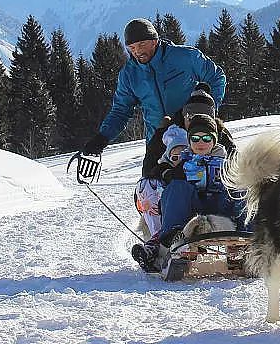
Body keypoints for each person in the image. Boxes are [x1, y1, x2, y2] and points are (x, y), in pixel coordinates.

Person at [80, 18, 226, 176]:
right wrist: (103, 137)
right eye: (131, 47)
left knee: (205, 187)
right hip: (157, 141)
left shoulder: (184, 57)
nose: (136, 51)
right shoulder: (129, 74)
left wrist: (207, 112)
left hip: (196, 137)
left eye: (141, 44)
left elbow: (217, 77)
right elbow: (121, 110)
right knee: (150, 189)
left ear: (154, 41)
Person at [131, 113, 249, 271]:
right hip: (192, 209)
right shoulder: (183, 162)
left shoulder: (227, 162)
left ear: (214, 140)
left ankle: (242, 243)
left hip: (222, 208)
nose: (201, 143)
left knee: (240, 187)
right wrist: (167, 173)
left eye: (206, 138)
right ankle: (175, 241)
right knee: (177, 186)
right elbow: (161, 177)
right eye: (195, 138)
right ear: (189, 141)